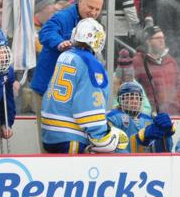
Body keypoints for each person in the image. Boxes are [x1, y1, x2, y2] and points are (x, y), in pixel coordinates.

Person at [40, 19, 127, 154]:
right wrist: (101, 135)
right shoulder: (91, 64)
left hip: (50, 134)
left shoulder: (66, 55)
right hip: (70, 136)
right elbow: (88, 107)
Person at [31, 0, 104, 99]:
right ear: (80, 2)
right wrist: (59, 43)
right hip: (46, 89)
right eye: (90, 7)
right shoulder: (63, 16)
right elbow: (46, 31)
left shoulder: (93, 24)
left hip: (70, 91)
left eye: (97, 9)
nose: (93, 12)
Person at [107, 81, 174, 153]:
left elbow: (163, 151)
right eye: (131, 98)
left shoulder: (148, 119)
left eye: (137, 98)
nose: (135, 101)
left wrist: (166, 135)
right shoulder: (113, 117)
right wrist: (141, 136)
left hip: (146, 160)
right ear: (121, 100)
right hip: (123, 160)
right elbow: (110, 146)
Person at [132, 25, 180, 115]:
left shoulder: (171, 61)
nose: (162, 40)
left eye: (163, 37)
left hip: (173, 115)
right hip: (150, 116)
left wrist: (179, 104)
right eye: (157, 38)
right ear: (148, 41)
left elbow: (178, 86)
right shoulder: (138, 61)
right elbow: (131, 88)